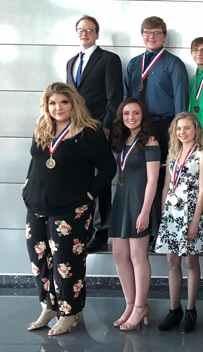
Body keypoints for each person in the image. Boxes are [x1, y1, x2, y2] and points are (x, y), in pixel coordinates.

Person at [23, 82, 116, 335]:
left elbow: (108, 169)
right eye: (52, 103)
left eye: (63, 102)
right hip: (37, 203)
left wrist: (89, 194)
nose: (58, 107)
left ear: (73, 102)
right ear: (46, 105)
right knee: (39, 258)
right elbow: (36, 159)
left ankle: (70, 312)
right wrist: (28, 182)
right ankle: (49, 306)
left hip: (71, 209)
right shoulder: (42, 127)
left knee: (67, 261)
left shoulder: (89, 131)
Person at [124, 16, 189, 238]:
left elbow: (181, 101)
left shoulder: (174, 64)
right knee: (140, 177)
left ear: (164, 36)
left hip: (164, 127)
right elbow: (127, 100)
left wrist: (177, 134)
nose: (151, 37)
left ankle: (161, 229)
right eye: (147, 33)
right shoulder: (134, 64)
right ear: (142, 35)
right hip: (138, 127)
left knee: (162, 179)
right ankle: (142, 227)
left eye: (156, 33)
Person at [66, 15, 123, 253]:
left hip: (98, 129)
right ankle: (84, 228)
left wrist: (107, 127)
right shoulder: (70, 62)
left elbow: (114, 97)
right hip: (74, 131)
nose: (84, 33)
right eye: (81, 30)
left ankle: (102, 232)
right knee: (80, 179)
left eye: (89, 30)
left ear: (97, 34)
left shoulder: (109, 59)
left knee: (101, 180)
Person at [154, 112, 203, 333]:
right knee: (172, 263)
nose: (183, 132)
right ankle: (173, 309)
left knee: (190, 263)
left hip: (190, 213)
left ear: (196, 129)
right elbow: (167, 186)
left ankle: (190, 310)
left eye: (187, 128)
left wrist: (195, 221)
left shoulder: (202, 155)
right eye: (179, 129)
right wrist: (163, 216)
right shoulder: (173, 154)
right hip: (171, 214)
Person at [109, 98, 160, 330]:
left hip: (140, 202)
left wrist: (145, 211)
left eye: (136, 113)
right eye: (127, 113)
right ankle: (130, 304)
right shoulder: (122, 140)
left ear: (143, 115)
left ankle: (141, 306)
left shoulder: (149, 141)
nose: (131, 117)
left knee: (138, 257)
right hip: (121, 200)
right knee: (120, 255)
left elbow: (153, 180)